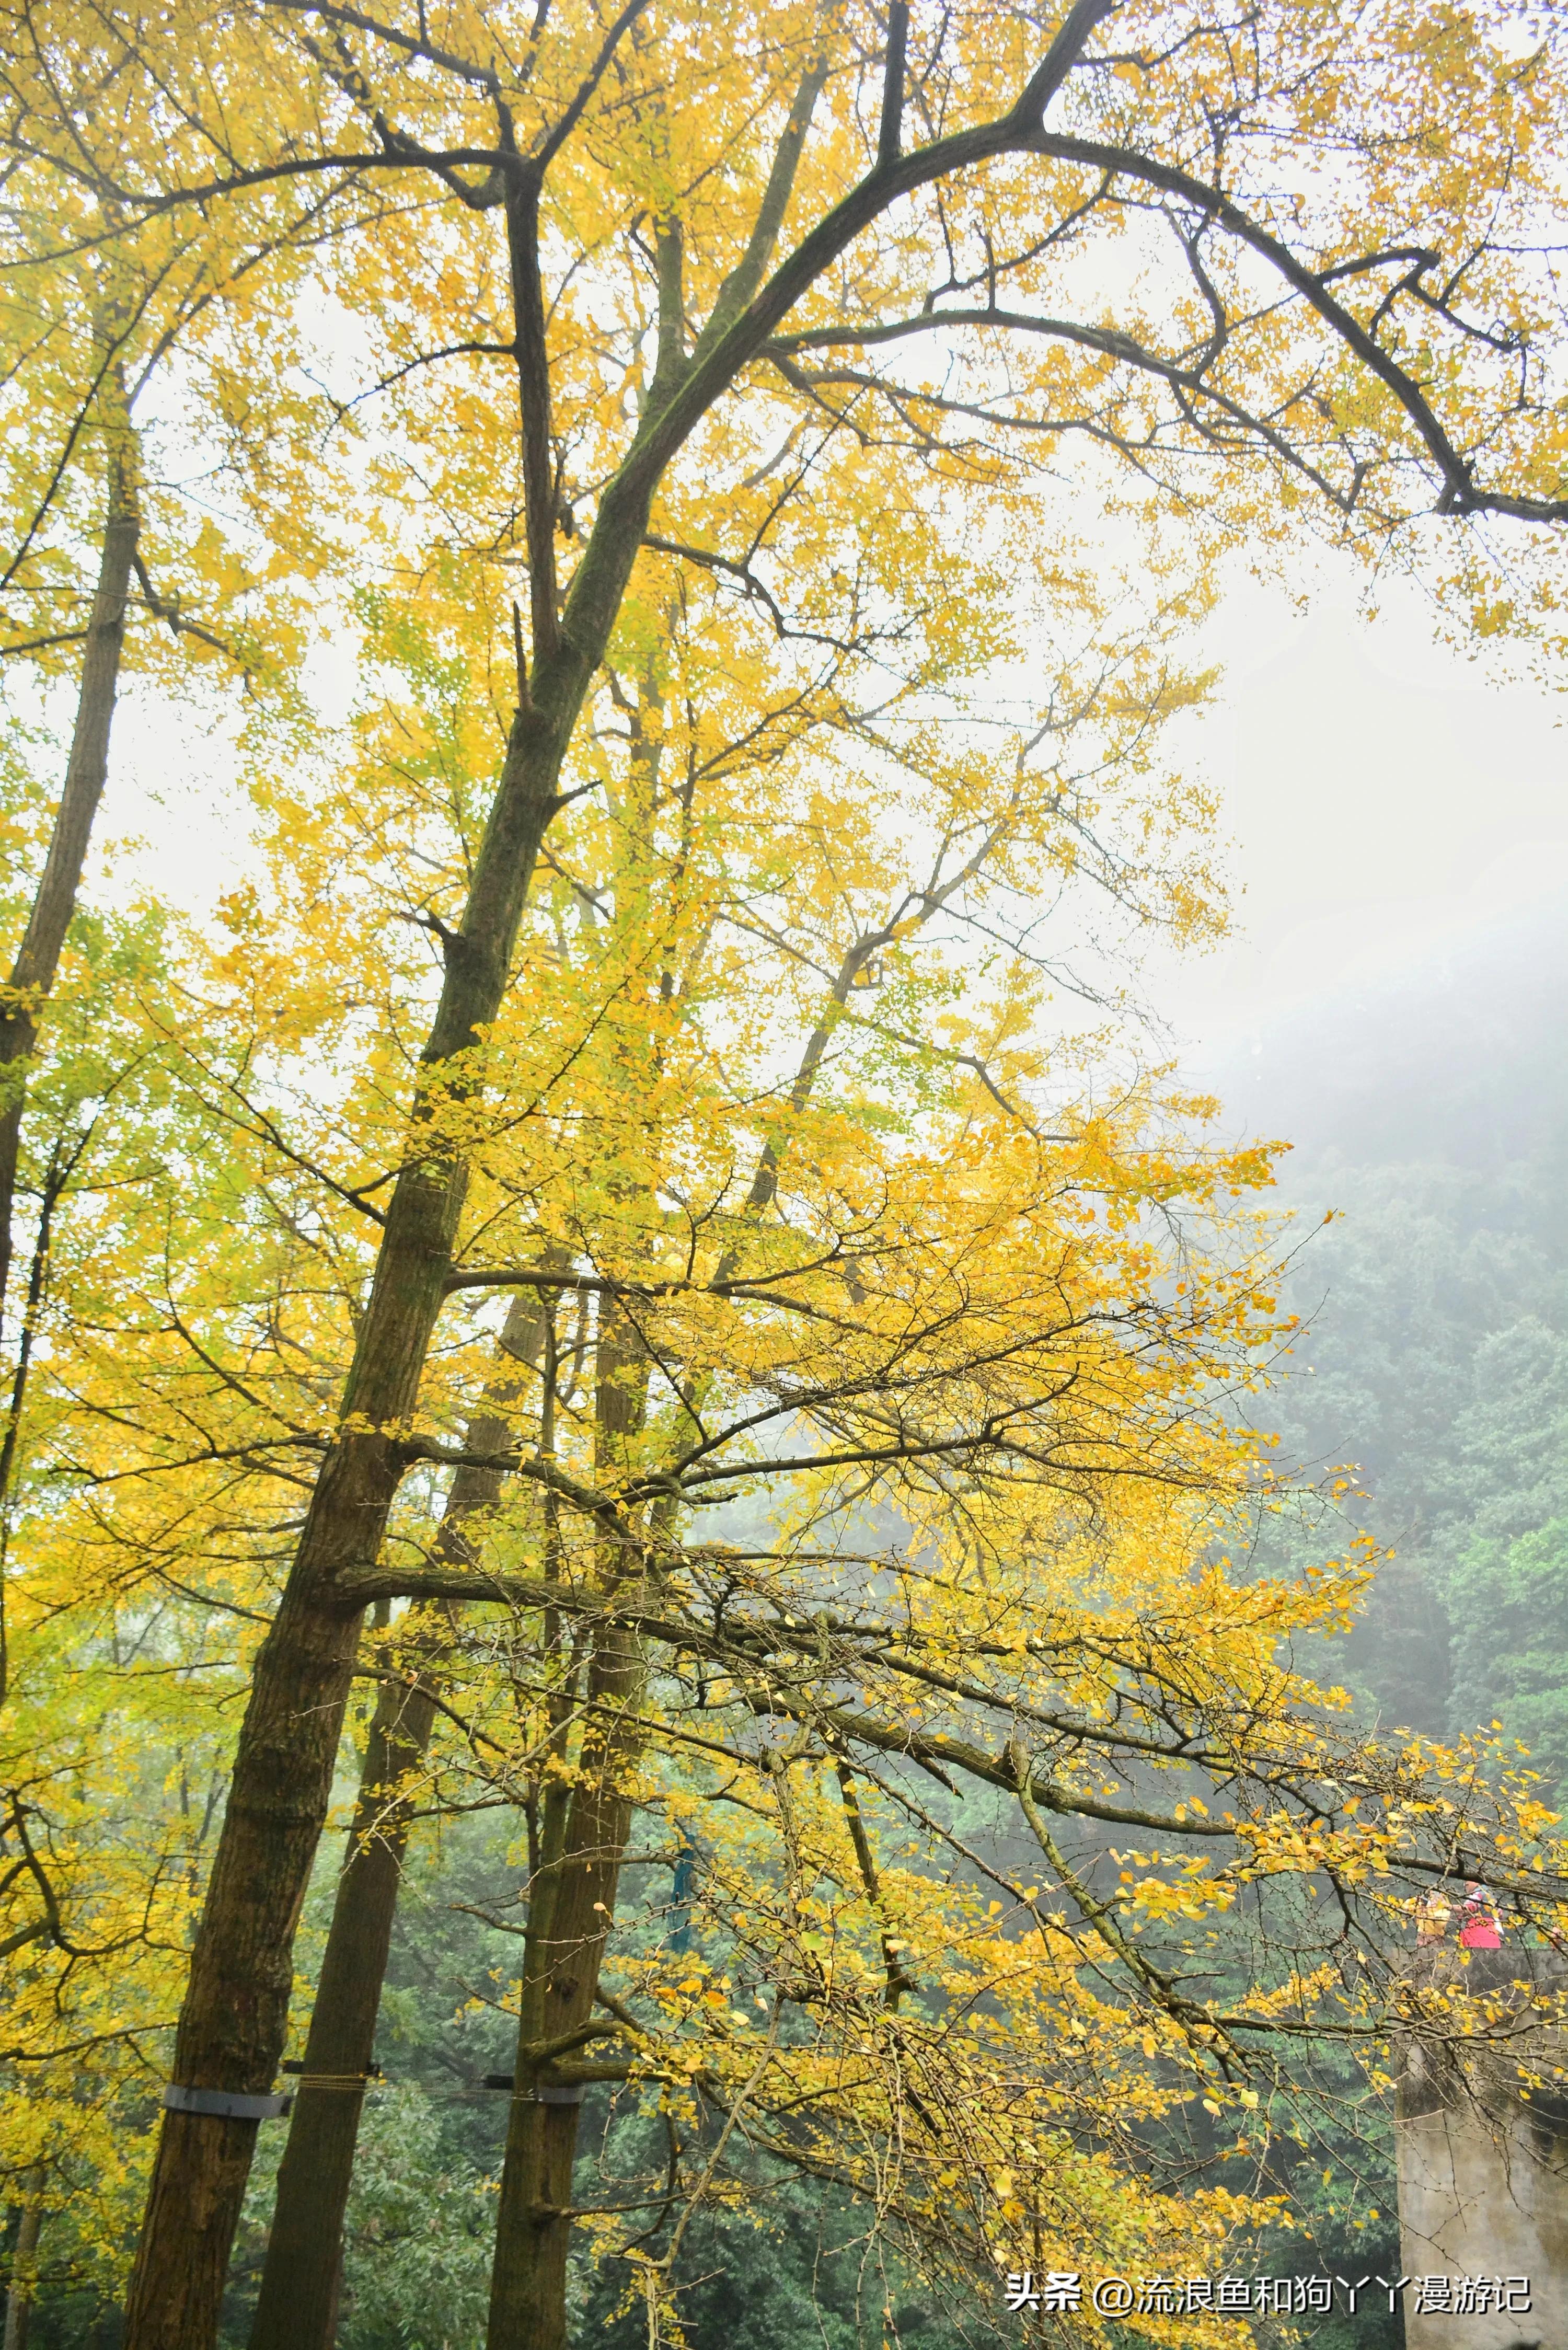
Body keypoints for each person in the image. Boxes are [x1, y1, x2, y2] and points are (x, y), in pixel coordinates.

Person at [1458, 1882, 1503, 1949]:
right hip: (1493, 1938)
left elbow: (1467, 1908)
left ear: (1473, 1881)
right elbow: (1500, 1913)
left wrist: (1449, 1906)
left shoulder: (1478, 1893)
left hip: (1477, 1938)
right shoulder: (1491, 1894)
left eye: (1466, 1883)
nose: (1465, 1886)